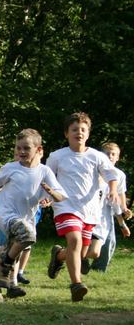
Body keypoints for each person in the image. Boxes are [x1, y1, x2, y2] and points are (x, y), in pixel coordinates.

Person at [0, 129, 65, 302]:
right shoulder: (11, 168)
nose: (21, 152)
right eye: (18, 148)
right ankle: (6, 270)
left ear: (38, 150)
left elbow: (60, 196)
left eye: (26, 148)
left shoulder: (44, 171)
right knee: (27, 236)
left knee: (14, 249)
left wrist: (50, 194)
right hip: (5, 214)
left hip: (26, 217)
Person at [46, 112, 119, 302]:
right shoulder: (57, 156)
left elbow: (112, 175)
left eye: (83, 130)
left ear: (88, 134)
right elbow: (46, 178)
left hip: (89, 211)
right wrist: (45, 196)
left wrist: (112, 190)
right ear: (66, 133)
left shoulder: (97, 156)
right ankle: (76, 284)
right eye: (74, 129)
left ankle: (59, 256)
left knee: (83, 252)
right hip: (65, 206)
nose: (79, 132)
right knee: (75, 241)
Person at [88, 142, 131, 272]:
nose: (110, 156)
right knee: (87, 241)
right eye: (107, 153)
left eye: (114, 154)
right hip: (91, 211)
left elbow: (119, 195)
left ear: (118, 158)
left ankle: (98, 269)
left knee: (109, 242)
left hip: (107, 213)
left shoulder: (120, 175)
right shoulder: (95, 171)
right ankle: (80, 258)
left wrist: (124, 210)